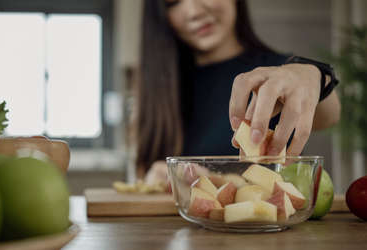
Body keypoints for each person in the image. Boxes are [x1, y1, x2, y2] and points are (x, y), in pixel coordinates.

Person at [133, 0, 341, 184]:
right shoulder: (159, 92)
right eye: (172, 2)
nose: (193, 11)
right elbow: (143, 174)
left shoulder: (279, 74)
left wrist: (313, 74)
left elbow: (330, 115)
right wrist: (155, 180)